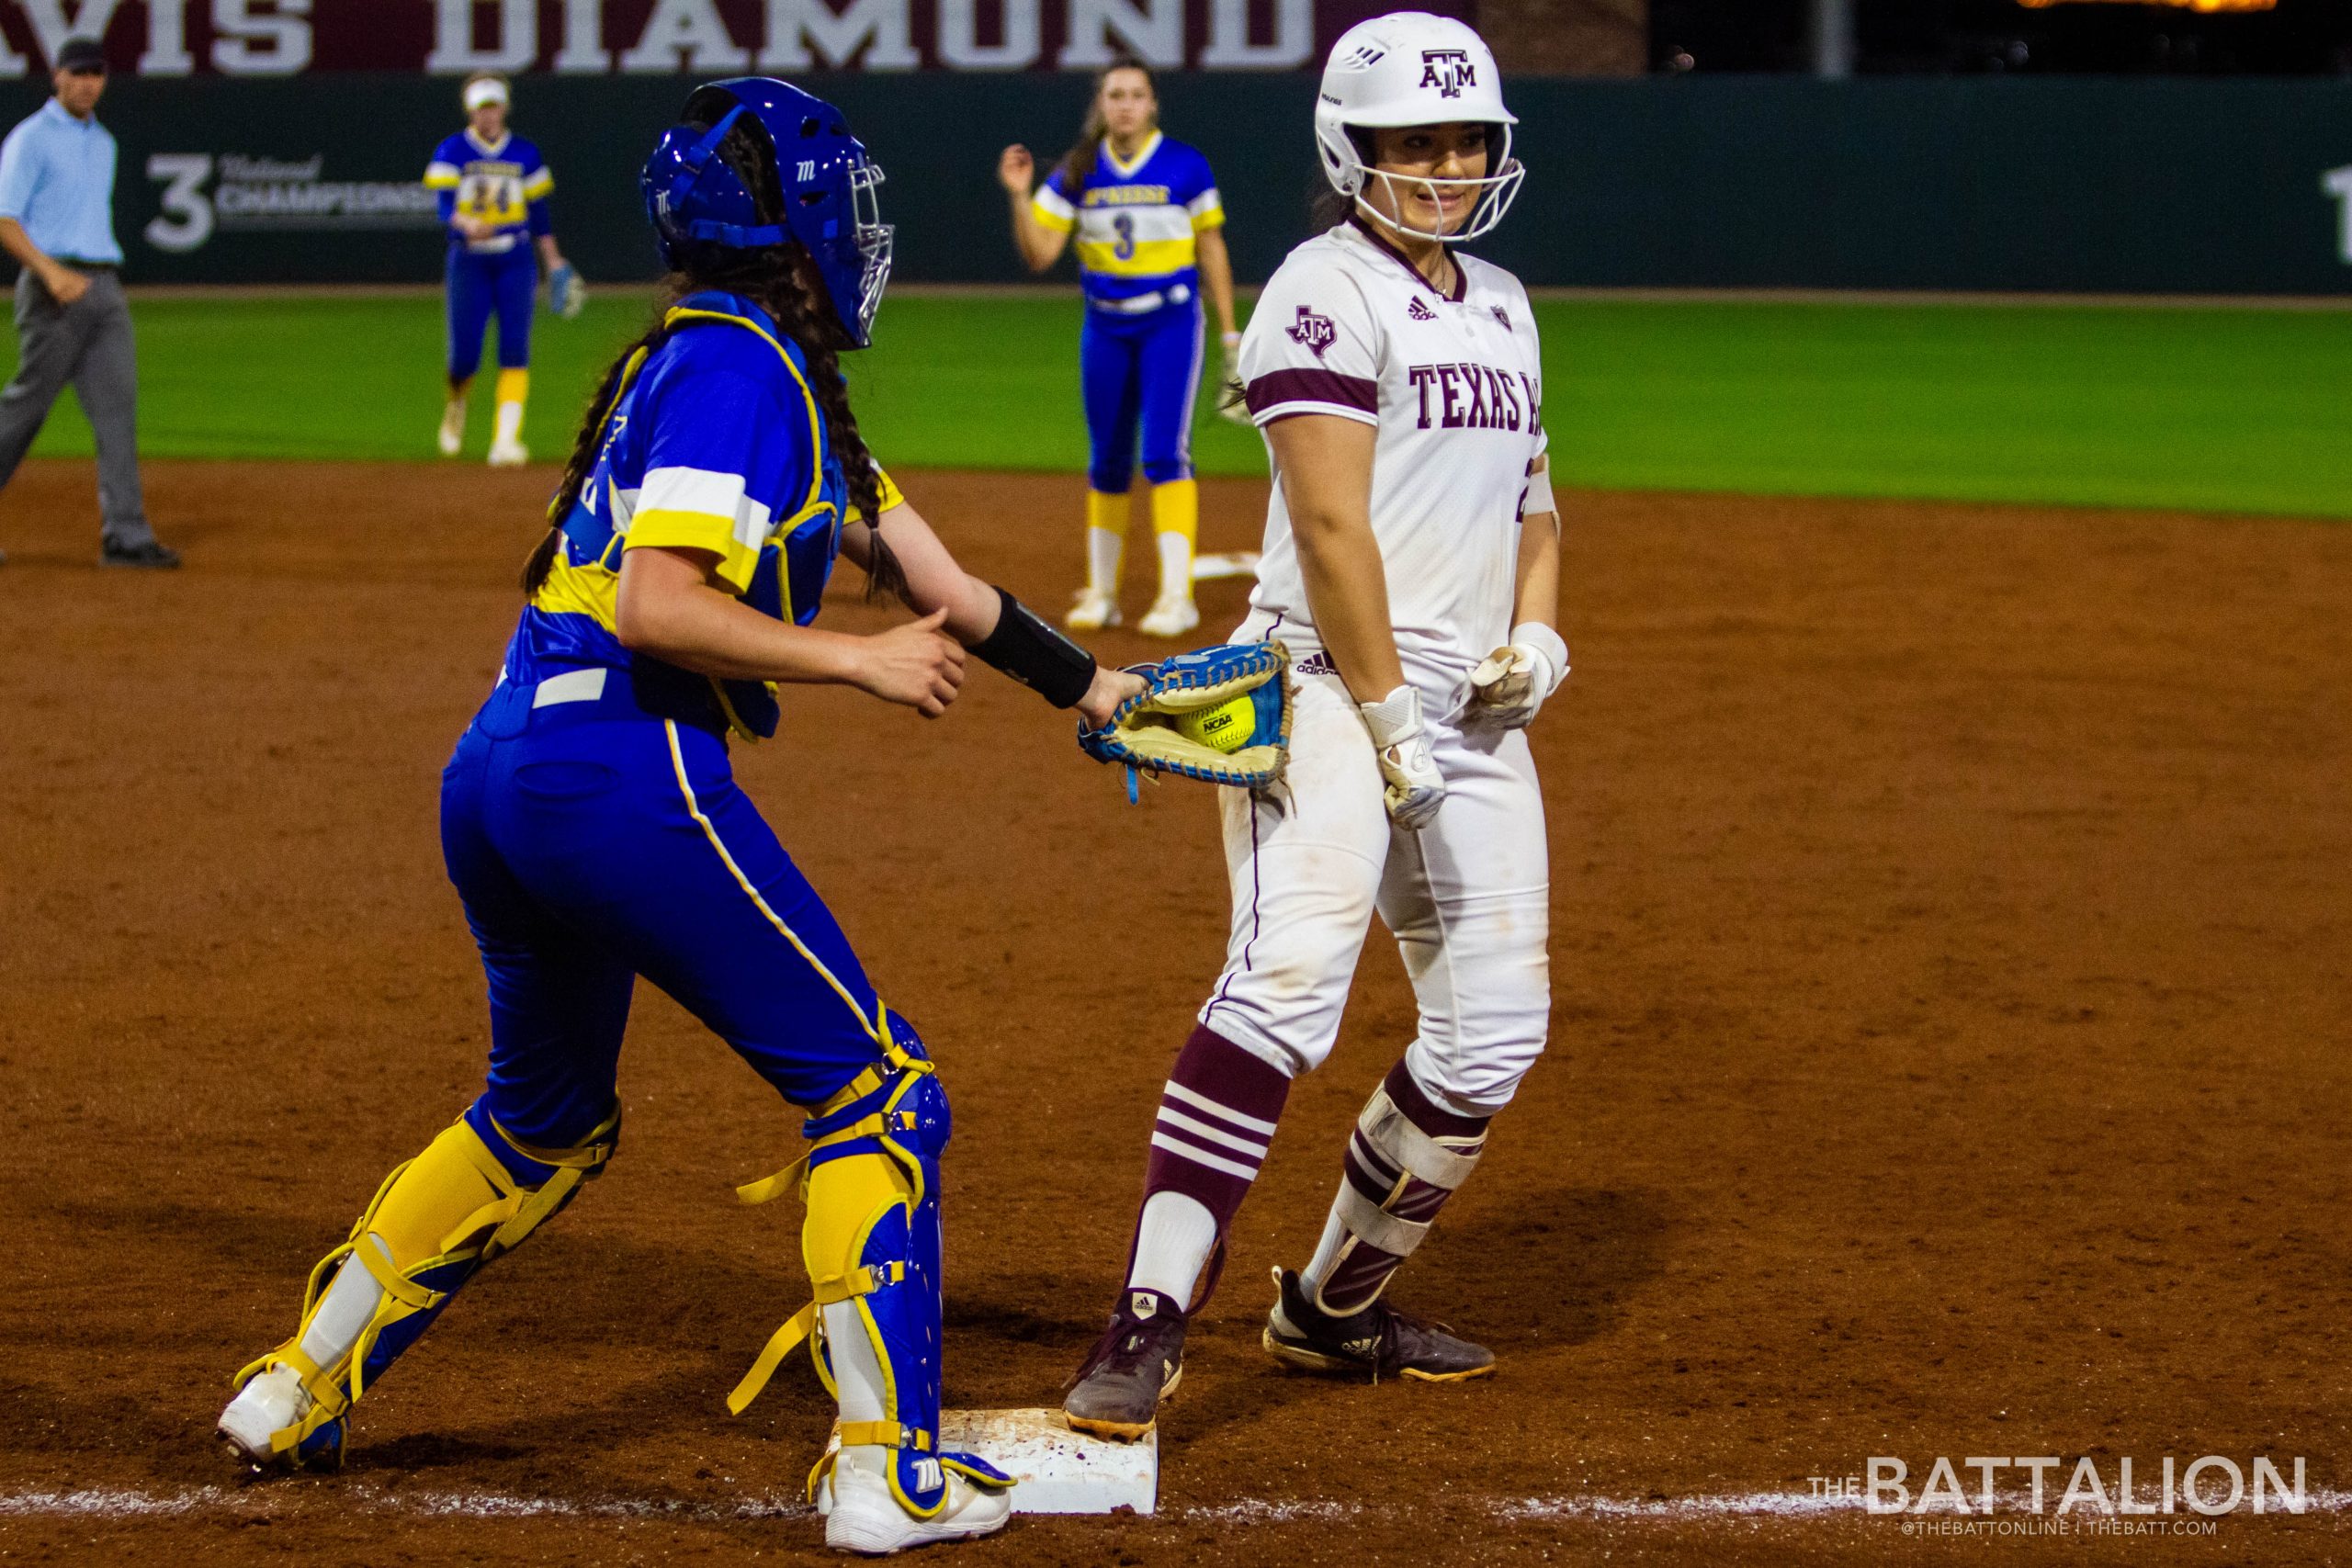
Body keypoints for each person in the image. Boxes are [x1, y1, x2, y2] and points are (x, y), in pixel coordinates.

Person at [216, 77, 1142, 1555]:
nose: (861, 229)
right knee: (883, 1096)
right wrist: (853, 660)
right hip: (619, 776)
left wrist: (1100, 691)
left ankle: (297, 1383)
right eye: (841, 202)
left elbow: (945, 586)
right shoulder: (740, 376)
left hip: (505, 766)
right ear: (789, 228)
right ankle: (880, 1471)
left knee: (542, 1114)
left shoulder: (733, 365)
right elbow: (661, 603)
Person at [1059, 13, 1564, 1441]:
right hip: (1331, 689)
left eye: (1466, 140)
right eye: (1416, 143)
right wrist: (1392, 712)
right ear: (1353, 151)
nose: (1448, 166)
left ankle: (1332, 1303)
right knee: (1287, 979)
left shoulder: (1508, 300)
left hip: (1465, 706)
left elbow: (1535, 501)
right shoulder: (1321, 288)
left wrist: (1538, 629)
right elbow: (1333, 525)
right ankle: (1148, 1315)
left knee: (1491, 1035)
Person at [997, 61, 1238, 638]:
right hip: (1104, 326)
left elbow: (1211, 249)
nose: (1125, 105)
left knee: (1163, 453)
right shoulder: (1080, 169)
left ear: (1152, 104)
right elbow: (1039, 254)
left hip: (1170, 323)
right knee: (1106, 457)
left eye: (1136, 95)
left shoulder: (1185, 164)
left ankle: (1175, 597)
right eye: (1115, 95)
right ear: (1101, 104)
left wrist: (1230, 334)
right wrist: (1020, 195)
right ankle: (1102, 593)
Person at [0, 35, 176, 569]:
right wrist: (51, 272)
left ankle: (125, 535)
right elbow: (5, 221)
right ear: (56, 75)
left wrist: (93, 283)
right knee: (23, 413)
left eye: (95, 74)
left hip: (104, 290)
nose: (86, 83)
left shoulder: (105, 142)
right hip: (52, 288)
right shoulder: (30, 138)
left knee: (118, 413)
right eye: (76, 73)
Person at [424, 73, 578, 467]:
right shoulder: (453, 149)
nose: (488, 114)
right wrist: (464, 223)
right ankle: (457, 404)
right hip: (469, 258)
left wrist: (553, 259)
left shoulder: (524, 153)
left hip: (515, 257)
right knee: (464, 353)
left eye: (493, 106)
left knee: (515, 347)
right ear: (470, 110)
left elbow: (539, 215)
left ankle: (506, 439)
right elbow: (444, 206)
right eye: (481, 107)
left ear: (504, 107)